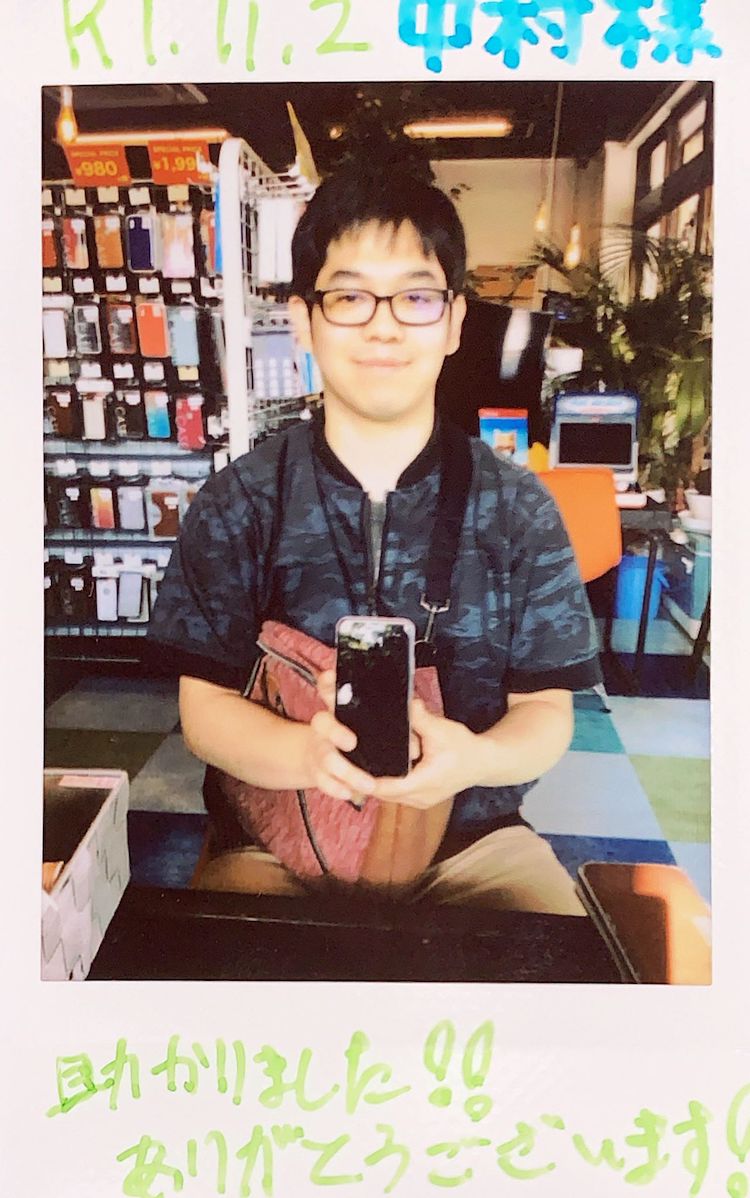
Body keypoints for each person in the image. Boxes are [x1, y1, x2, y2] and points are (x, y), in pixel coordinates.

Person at [148, 159, 602, 914]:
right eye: (350, 296)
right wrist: (305, 754)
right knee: (226, 975)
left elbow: (547, 713)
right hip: (277, 841)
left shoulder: (519, 509)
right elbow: (205, 710)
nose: (384, 325)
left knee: (562, 969)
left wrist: (475, 759)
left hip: (472, 843)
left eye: (416, 297)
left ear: (454, 322)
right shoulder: (239, 503)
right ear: (303, 320)